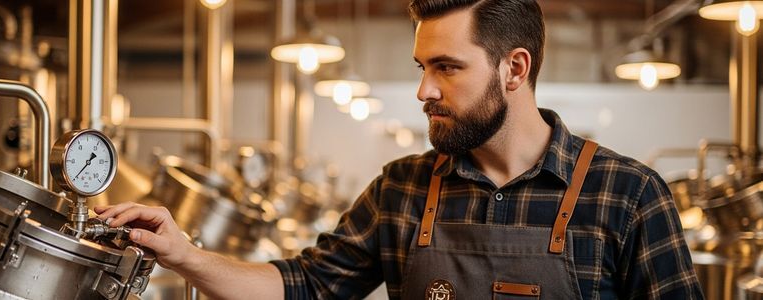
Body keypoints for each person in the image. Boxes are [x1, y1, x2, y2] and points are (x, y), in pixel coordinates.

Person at [96, 0, 704, 298]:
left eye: (446, 67)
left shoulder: (628, 196)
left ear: (514, 69)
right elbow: (302, 288)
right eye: (421, 66)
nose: (423, 90)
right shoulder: (403, 189)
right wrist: (184, 255)